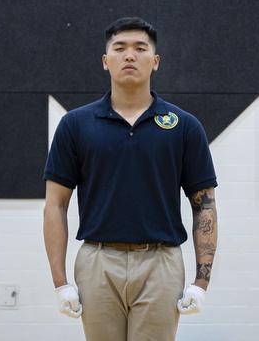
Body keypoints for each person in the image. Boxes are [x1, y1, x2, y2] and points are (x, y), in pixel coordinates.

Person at [42, 17, 218, 341]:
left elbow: (204, 206)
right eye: (119, 48)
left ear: (156, 61)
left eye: (140, 48)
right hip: (97, 261)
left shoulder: (184, 125)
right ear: (106, 61)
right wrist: (60, 283)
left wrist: (201, 282)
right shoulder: (75, 125)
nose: (130, 55)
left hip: (162, 262)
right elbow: (55, 205)